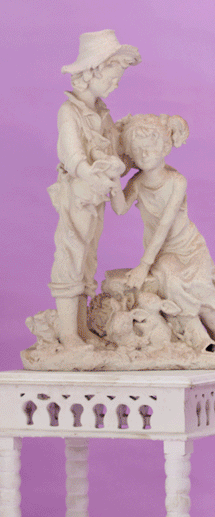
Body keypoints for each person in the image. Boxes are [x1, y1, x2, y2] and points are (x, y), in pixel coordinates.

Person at [111, 112, 215, 352]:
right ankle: (200, 339)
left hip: (190, 246)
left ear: (164, 147)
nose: (144, 155)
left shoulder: (176, 181)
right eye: (138, 150)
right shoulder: (137, 182)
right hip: (163, 252)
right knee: (174, 282)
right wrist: (113, 177)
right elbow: (119, 208)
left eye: (150, 148)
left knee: (200, 284)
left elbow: (164, 225)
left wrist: (143, 266)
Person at [49, 29, 140, 347]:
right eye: (112, 79)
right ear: (90, 73)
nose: (116, 86)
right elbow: (71, 154)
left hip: (96, 196)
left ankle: (80, 328)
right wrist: (89, 172)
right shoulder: (69, 112)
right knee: (71, 254)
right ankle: (67, 334)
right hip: (77, 195)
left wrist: (127, 158)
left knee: (87, 258)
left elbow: (114, 152)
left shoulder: (103, 114)